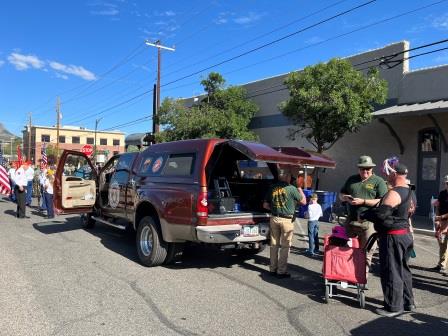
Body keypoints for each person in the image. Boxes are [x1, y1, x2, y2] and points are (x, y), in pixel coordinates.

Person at [360, 158, 415, 317]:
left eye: (388, 173)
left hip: (393, 238)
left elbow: (382, 215)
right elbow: (408, 212)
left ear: (396, 174)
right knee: (403, 270)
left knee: (392, 271)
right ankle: (408, 302)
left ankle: (393, 306)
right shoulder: (410, 191)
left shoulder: (394, 192)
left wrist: (365, 214)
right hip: (405, 235)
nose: (386, 176)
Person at [340, 155, 388, 267]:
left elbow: (383, 201)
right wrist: (345, 198)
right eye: (363, 169)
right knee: (345, 250)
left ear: (372, 169)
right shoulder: (352, 179)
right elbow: (341, 194)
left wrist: (364, 201)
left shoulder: (379, 181)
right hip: (351, 220)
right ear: (358, 168)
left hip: (370, 222)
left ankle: (361, 281)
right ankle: (346, 276)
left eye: (368, 169)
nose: (365, 171)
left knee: (366, 253)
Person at [263, 168, 306, 278]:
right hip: (287, 220)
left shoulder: (272, 187)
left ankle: (272, 269)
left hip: (274, 218)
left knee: (274, 245)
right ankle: (281, 271)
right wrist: (299, 188)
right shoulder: (291, 188)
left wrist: (275, 208)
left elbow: (265, 205)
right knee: (285, 246)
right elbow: (303, 201)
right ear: (287, 177)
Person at [431, 174, 448, 276]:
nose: (447, 184)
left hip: (445, 220)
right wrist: (437, 218)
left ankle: (443, 265)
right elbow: (438, 206)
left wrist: (440, 218)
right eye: (446, 183)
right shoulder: (442, 193)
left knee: (446, 243)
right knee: (441, 243)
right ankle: (441, 264)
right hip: (441, 221)